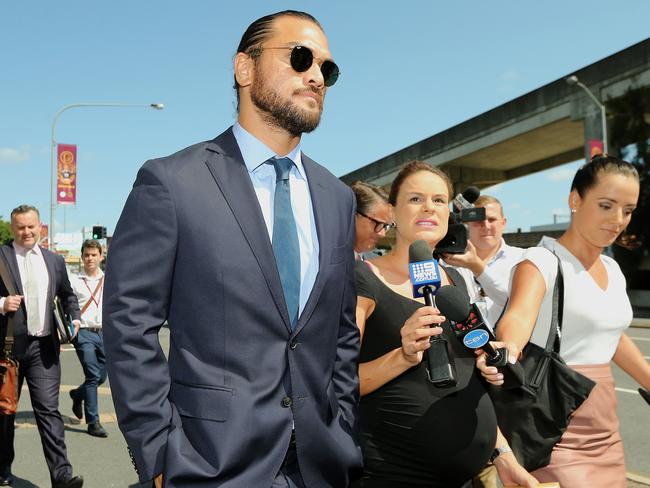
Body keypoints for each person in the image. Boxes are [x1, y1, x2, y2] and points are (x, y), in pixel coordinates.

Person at [103, 10, 362, 488]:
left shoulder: (337, 198)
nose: (316, 77)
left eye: (327, 69)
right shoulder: (172, 182)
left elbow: (341, 334)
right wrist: (159, 453)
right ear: (245, 68)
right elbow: (129, 324)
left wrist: (343, 425)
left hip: (322, 465)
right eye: (301, 57)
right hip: (207, 465)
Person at [353, 161, 537, 487]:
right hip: (393, 474)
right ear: (392, 211)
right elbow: (336, 383)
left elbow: (468, 379)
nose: (429, 207)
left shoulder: (455, 281)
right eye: (415, 199)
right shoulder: (363, 279)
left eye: (439, 200)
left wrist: (503, 455)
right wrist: (403, 355)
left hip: (469, 475)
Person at [478, 155, 650, 487]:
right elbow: (517, 318)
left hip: (606, 427)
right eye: (606, 205)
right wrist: (507, 350)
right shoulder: (541, 261)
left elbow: (611, 337)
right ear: (575, 199)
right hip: (555, 426)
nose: (618, 220)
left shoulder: (613, 271)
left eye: (627, 210)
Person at [0, 205, 83, 488]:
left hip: (43, 349)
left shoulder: (54, 260)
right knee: (4, 414)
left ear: (40, 227)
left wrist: (76, 318)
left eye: (31, 226)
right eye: (21, 227)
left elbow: (68, 296)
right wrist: (1, 304)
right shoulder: (1, 256)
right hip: (6, 350)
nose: (26, 232)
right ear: (13, 228)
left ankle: (61, 477)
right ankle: (2, 469)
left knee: (49, 411)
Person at [442, 195, 524, 331]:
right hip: (466, 347)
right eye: (478, 220)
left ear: (503, 223)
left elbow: (516, 305)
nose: (485, 225)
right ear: (467, 223)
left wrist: (477, 267)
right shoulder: (450, 261)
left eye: (491, 219)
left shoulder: (521, 259)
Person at [69, 239, 108, 438]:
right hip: (83, 332)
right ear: (82, 257)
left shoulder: (109, 279)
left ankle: (78, 394)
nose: (90, 258)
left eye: (94, 255)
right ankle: (93, 422)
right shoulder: (75, 280)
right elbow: (66, 305)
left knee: (102, 376)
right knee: (93, 375)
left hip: (105, 333)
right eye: (86, 255)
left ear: (101, 256)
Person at [351, 181, 391, 260]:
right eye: (378, 223)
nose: (382, 234)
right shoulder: (322, 260)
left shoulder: (377, 263)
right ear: (353, 214)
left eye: (386, 226)